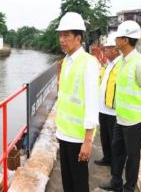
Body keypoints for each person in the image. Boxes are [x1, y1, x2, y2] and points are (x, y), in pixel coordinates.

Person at [99, 20, 141, 192]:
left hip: (135, 121)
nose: (115, 40)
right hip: (121, 118)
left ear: (126, 40)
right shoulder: (123, 61)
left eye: (118, 37)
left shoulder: (139, 63)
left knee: (133, 157)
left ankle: (129, 187)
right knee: (117, 152)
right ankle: (116, 183)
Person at [55, 12, 99, 192]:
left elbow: (91, 103)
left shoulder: (88, 63)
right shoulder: (66, 61)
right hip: (64, 134)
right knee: (67, 182)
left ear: (78, 38)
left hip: (78, 137)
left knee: (79, 184)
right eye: (60, 35)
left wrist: (88, 141)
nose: (62, 39)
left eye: (66, 35)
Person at [94, 33, 121, 166]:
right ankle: (107, 158)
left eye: (106, 49)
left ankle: (115, 163)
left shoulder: (121, 65)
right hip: (102, 108)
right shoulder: (107, 64)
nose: (104, 51)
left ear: (115, 49)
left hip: (113, 110)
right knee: (104, 136)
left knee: (114, 139)